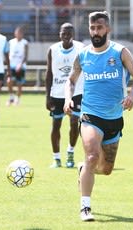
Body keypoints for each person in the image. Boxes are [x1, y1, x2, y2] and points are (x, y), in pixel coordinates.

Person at [63, 11, 133, 221]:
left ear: (107, 29)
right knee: (91, 156)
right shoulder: (83, 55)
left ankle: (83, 169)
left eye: (99, 28)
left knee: (106, 169)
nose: (95, 32)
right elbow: (71, 80)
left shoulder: (120, 52)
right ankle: (85, 207)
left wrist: (132, 95)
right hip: (90, 114)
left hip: (114, 117)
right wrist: (67, 99)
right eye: (92, 28)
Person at [45, 22, 84, 168]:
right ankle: (56, 158)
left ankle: (70, 152)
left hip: (76, 93)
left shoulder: (81, 48)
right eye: (63, 33)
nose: (66, 36)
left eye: (69, 33)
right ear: (59, 34)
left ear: (73, 35)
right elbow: (49, 73)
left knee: (74, 122)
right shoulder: (53, 49)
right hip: (57, 94)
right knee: (56, 125)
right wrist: (47, 96)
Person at [6, 26, 29, 106]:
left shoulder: (25, 43)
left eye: (20, 33)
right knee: (9, 81)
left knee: (19, 84)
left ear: (22, 34)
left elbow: (26, 56)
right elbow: (8, 54)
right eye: (17, 32)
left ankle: (17, 99)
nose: (18, 34)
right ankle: (11, 96)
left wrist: (20, 64)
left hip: (21, 66)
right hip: (12, 65)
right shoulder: (11, 42)